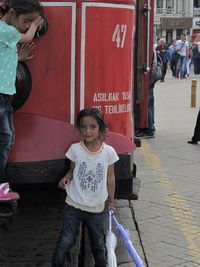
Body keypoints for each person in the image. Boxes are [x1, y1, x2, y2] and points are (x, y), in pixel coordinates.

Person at [52, 108, 119, 267]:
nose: (87, 131)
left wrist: (111, 201)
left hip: (95, 208)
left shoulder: (109, 152)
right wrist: (66, 178)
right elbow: (72, 170)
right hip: (73, 204)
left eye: (93, 127)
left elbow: (110, 178)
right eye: (83, 127)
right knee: (65, 241)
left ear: (101, 128)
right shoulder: (75, 149)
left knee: (98, 245)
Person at [0, 0, 43, 201]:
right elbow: (26, 37)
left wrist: (19, 58)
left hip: (5, 97)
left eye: (30, 22)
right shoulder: (5, 30)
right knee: (4, 139)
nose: (27, 25)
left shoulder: (5, 32)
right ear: (11, 12)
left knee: (7, 139)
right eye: (26, 20)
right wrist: (35, 26)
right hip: (1, 96)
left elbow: (3, 59)